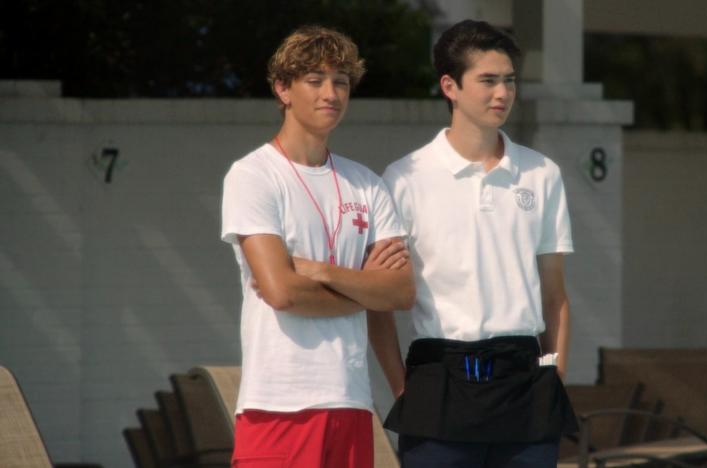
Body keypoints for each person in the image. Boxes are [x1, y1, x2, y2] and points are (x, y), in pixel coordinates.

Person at [381, 19, 577, 468]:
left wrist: (555, 376)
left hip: (526, 385)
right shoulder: (405, 177)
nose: (502, 93)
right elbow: (381, 303)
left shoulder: (541, 174)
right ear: (450, 86)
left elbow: (555, 296)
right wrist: (401, 389)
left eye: (509, 80)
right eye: (487, 81)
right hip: (438, 382)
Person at [220, 25, 414, 468]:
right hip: (278, 406)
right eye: (316, 80)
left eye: (341, 82)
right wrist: (365, 288)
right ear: (283, 89)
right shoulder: (253, 175)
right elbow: (283, 293)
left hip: (350, 400)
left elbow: (400, 293)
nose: (332, 93)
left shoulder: (366, 183)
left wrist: (324, 273)